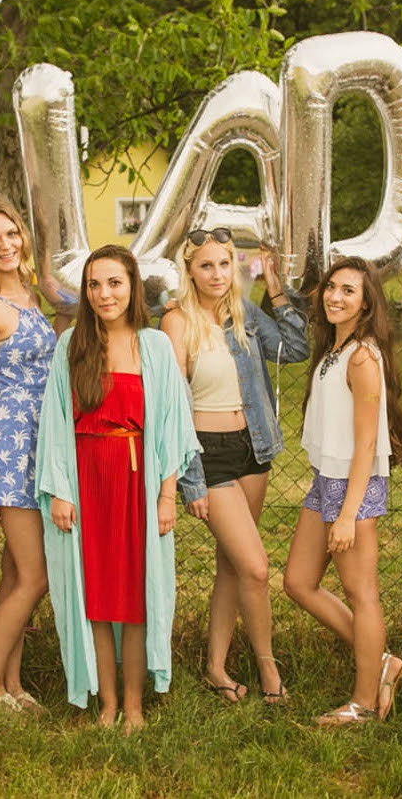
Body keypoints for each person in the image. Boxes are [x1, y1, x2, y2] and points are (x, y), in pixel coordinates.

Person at [34, 245, 197, 732]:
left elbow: (171, 425)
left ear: (132, 287)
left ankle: (135, 704)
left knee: (137, 593)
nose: (104, 294)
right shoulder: (72, 346)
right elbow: (55, 423)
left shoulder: (155, 346)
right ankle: (106, 702)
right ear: (85, 292)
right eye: (94, 285)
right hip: (86, 483)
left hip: (137, 481)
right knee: (96, 596)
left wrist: (167, 495)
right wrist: (61, 490)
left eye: (114, 283)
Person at [163, 229, 307, 706]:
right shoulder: (177, 323)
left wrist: (275, 284)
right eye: (206, 266)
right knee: (256, 566)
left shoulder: (243, 314)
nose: (217, 275)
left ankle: (216, 666)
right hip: (210, 453)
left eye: (225, 265)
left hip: (253, 447)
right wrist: (191, 479)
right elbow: (174, 406)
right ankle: (269, 669)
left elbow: (295, 348)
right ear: (190, 271)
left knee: (232, 564)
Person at [282, 256, 402, 727]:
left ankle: (362, 702)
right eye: (331, 288)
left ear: (366, 302)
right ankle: (382, 660)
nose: (335, 297)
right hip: (326, 479)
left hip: (352, 487)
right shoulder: (335, 348)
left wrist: (346, 513)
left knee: (363, 595)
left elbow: (366, 443)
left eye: (349, 291)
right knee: (297, 581)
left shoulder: (362, 356)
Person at [0, 197, 59, 712]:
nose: (5, 245)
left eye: (11, 234)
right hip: (11, 448)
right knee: (35, 575)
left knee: (15, 575)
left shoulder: (38, 293)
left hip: (48, 444)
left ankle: (12, 686)